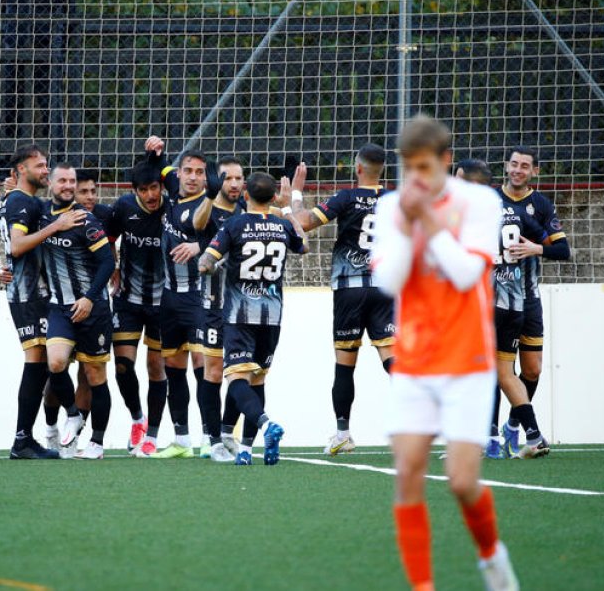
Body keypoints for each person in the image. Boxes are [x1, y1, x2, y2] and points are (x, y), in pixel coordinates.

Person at [370, 115, 519, 591]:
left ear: (445, 161)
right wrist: (411, 223)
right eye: (409, 168)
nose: (417, 178)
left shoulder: (479, 202)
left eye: (426, 167)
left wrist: (428, 221)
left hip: (468, 359)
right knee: (408, 473)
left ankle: (493, 557)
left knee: (460, 481)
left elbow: (464, 275)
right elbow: (388, 281)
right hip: (414, 360)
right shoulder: (394, 205)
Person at [286, 144, 395, 456]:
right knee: (392, 358)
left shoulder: (345, 197)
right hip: (384, 287)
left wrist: (295, 193)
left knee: (345, 364)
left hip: (350, 288)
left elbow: (302, 222)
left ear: (358, 168)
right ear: (382, 170)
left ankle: (343, 433)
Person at [198, 172, 309, 466]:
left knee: (236, 378)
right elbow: (304, 245)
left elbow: (204, 264)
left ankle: (264, 423)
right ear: (273, 198)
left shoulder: (234, 224)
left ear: (245, 196)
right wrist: (286, 209)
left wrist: (215, 262)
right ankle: (246, 451)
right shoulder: (283, 225)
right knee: (257, 380)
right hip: (272, 316)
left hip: (239, 314)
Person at [0, 145, 86, 460]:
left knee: (42, 364)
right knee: (40, 364)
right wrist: (56, 227)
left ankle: (27, 438)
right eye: (39, 165)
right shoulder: (21, 201)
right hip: (28, 293)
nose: (45, 170)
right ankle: (58, 421)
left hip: (30, 291)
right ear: (20, 170)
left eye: (46, 164)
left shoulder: (17, 199)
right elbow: (18, 245)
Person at [457, 159, 550, 460]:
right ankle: (532, 435)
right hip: (514, 306)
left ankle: (490, 439)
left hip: (486, 306)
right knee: (506, 373)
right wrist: (537, 248)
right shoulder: (518, 213)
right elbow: (550, 241)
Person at [38, 162, 116, 459]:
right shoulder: (41, 215)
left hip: (92, 309)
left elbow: (108, 262)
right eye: (64, 181)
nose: (69, 186)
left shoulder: (86, 220)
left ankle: (96, 442)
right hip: (59, 307)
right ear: (51, 184)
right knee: (55, 364)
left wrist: (88, 298)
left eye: (72, 182)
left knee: (95, 375)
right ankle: (72, 414)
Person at [136, 139, 207, 458]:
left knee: (203, 365)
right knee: (173, 366)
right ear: (178, 174)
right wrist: (154, 150)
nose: (192, 177)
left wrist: (200, 247)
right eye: (187, 171)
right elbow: (149, 170)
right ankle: (182, 440)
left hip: (199, 299)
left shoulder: (211, 206)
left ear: (207, 178)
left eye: (199, 172)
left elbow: (232, 235)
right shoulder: (173, 185)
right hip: (169, 299)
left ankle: (212, 437)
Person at [498, 147, 570, 450]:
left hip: (528, 299)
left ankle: (514, 424)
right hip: (496, 298)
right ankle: (497, 435)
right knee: (500, 368)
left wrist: (536, 249)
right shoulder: (490, 201)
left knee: (532, 369)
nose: (518, 170)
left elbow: (563, 250)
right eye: (514, 164)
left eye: (524, 166)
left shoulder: (539, 205)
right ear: (506, 166)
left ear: (534, 172)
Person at [106, 155, 169, 454]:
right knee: (122, 366)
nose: (150, 195)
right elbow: (107, 237)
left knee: (156, 368)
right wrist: (113, 265)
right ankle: (137, 419)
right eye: (143, 190)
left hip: (162, 303)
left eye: (154, 187)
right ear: (135, 191)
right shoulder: (123, 207)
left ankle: (152, 437)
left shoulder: (173, 208)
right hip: (128, 299)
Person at [0, 0, 77, 151]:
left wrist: (60, 46)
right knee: (11, 103)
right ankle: (4, 161)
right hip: (15, 48)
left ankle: (58, 158)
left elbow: (72, 18)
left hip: (50, 51)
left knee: (51, 105)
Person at [191, 156, 245, 463]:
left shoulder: (247, 212)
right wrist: (209, 195)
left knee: (239, 372)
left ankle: (227, 433)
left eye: (239, 179)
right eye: (229, 179)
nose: (235, 184)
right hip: (213, 305)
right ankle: (212, 439)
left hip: (242, 308)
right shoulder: (209, 210)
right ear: (218, 182)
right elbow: (197, 225)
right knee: (212, 373)